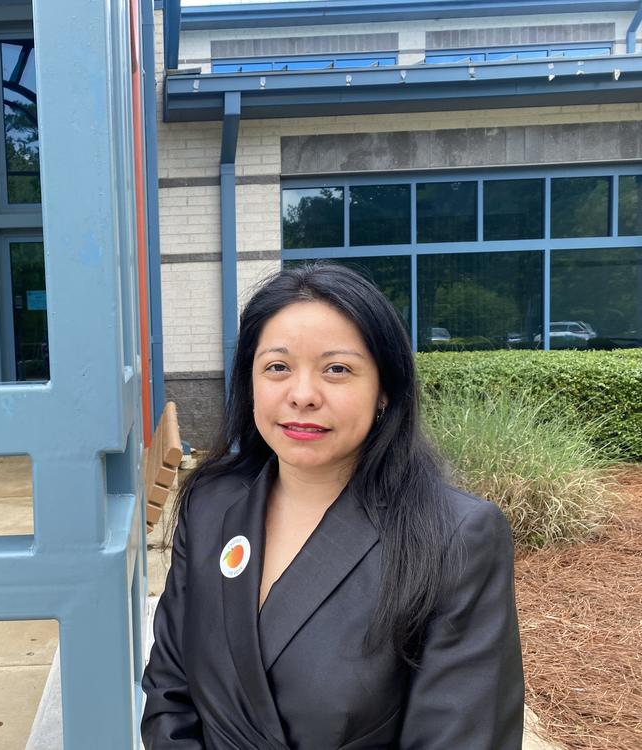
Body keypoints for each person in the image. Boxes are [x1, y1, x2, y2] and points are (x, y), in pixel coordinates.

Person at [141, 263, 524, 749]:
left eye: (337, 369)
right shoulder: (211, 503)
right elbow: (169, 691)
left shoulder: (456, 536)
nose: (302, 395)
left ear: (384, 387)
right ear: (250, 380)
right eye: (277, 367)